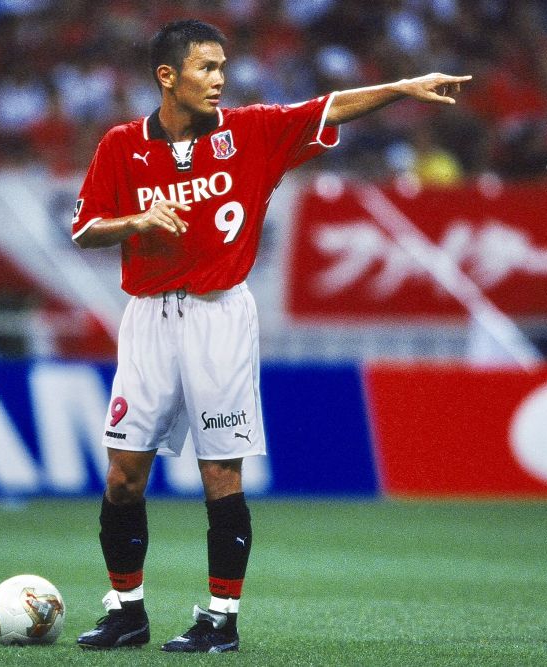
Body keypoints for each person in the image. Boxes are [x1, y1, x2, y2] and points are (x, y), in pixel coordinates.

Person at [70, 19, 470, 653]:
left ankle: (220, 620)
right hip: (147, 318)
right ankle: (126, 611)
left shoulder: (252, 131)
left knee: (219, 473)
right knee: (122, 474)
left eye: (222, 66)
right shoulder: (122, 144)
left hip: (219, 315)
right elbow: (84, 229)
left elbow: (329, 107)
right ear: (167, 76)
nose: (219, 78)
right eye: (205, 67)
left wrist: (402, 88)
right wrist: (137, 220)